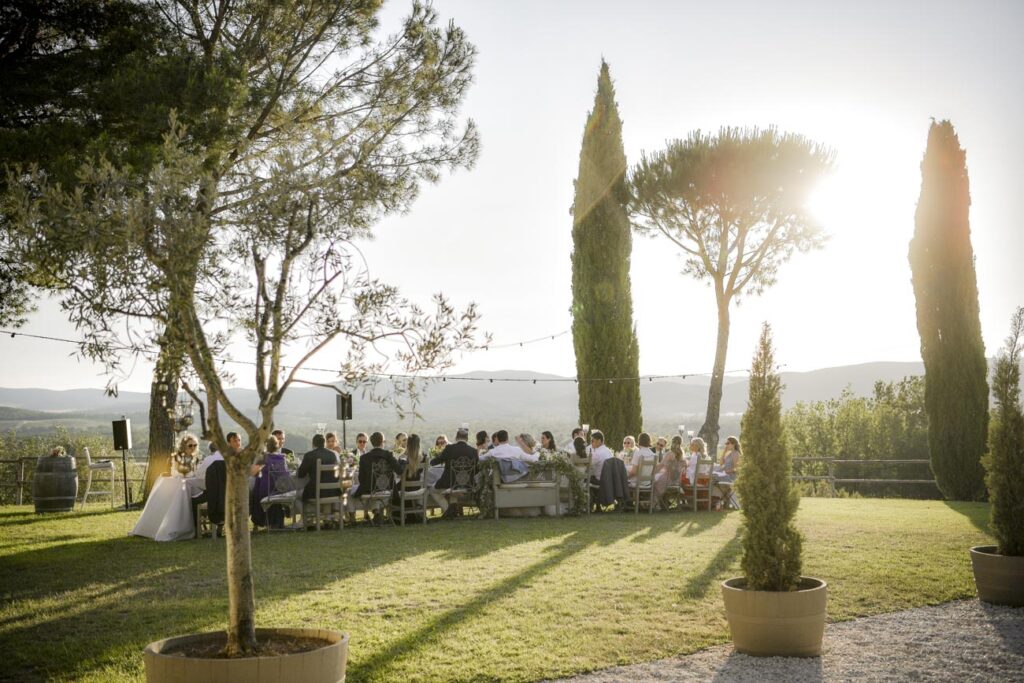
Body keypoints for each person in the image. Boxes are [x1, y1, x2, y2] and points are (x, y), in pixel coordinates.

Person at [346, 432, 401, 522]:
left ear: (371, 442)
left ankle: (352, 517)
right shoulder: (389, 455)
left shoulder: (364, 458)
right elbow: (399, 471)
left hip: (370, 489)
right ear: (382, 442)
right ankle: (376, 513)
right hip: (386, 489)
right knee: (376, 493)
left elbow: (361, 479)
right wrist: (402, 462)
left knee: (348, 491)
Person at [431, 427, 478, 516]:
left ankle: (448, 510)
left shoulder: (449, 448)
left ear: (456, 438)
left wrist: (431, 461)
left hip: (450, 483)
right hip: (467, 484)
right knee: (453, 488)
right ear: (467, 439)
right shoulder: (473, 451)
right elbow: (477, 469)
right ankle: (453, 509)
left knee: (432, 490)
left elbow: (436, 461)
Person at [297, 434, 339, 522]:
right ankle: (326, 518)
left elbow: (300, 474)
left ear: (313, 444)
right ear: (324, 443)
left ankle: (306, 519)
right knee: (320, 493)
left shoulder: (309, 455)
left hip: (315, 492)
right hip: (332, 491)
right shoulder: (332, 455)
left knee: (298, 495)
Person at [250, 436, 290, 529]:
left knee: (255, 490)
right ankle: (276, 522)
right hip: (279, 491)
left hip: (265, 491)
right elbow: (286, 475)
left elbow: (253, 472)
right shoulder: (282, 458)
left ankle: (258, 522)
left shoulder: (263, 458)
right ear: (277, 446)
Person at [654, 435, 685, 507]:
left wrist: (652, 471)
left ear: (672, 442)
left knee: (653, 481)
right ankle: (663, 504)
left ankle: (654, 504)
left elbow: (661, 465)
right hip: (677, 481)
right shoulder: (682, 454)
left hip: (667, 480)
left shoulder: (670, 453)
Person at [712, 436, 741, 510]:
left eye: (728, 443)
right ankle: (716, 499)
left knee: (711, 476)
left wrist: (725, 472)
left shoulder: (736, 454)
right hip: (725, 474)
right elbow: (721, 463)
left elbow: (736, 468)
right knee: (711, 475)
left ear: (733, 444)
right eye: (726, 443)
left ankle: (716, 500)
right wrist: (724, 451)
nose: (726, 445)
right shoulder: (730, 453)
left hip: (731, 477)